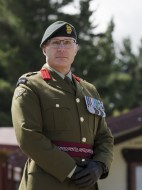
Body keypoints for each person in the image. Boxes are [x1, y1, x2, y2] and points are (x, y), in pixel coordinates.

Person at [11, 21, 114, 190]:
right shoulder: (30, 86)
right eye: (56, 43)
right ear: (45, 49)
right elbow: (28, 136)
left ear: (76, 49)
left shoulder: (90, 91)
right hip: (46, 183)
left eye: (67, 43)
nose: (62, 48)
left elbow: (104, 137)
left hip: (85, 184)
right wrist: (70, 170)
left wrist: (99, 165)